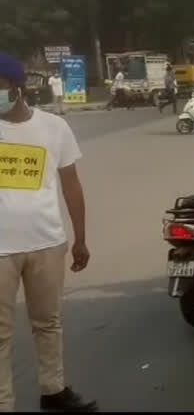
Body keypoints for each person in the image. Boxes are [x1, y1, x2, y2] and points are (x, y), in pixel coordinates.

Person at [0, 52, 96, 412]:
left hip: (47, 243)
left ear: (17, 87)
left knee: (48, 323)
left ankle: (53, 392)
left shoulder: (54, 128)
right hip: (1, 249)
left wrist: (81, 239)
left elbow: (71, 185)